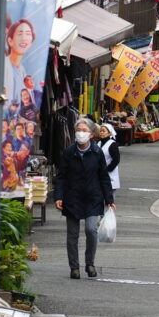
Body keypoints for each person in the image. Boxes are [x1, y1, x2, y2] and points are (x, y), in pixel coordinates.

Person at [54, 117, 115, 279]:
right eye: (78, 130)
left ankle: (90, 263)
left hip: (92, 196)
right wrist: (58, 196)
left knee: (91, 229)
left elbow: (103, 176)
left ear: (91, 134)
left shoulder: (97, 152)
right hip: (72, 196)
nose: (81, 133)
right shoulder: (69, 152)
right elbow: (61, 176)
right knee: (72, 234)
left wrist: (109, 199)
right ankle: (74, 267)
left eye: (84, 130)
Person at [5, 18, 35, 104]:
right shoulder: (3, 66)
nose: (24, 38)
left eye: (28, 34)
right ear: (10, 40)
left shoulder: (22, 70)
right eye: (20, 34)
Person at [97, 123, 121, 191]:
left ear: (109, 133)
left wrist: (107, 169)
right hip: (99, 174)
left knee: (109, 198)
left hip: (110, 174)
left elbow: (116, 160)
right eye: (100, 131)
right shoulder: (98, 143)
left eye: (103, 131)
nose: (101, 133)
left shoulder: (112, 144)